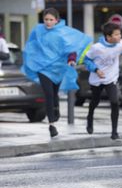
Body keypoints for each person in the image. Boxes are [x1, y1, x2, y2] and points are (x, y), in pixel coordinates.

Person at [22, 8, 92, 137]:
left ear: (56, 20)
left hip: (57, 68)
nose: (48, 22)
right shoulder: (38, 30)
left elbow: (71, 48)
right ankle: (52, 125)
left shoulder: (63, 32)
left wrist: (71, 60)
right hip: (42, 68)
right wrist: (32, 58)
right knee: (48, 94)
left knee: (54, 94)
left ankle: (56, 108)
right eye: (46, 20)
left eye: (51, 20)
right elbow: (31, 45)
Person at [83, 22, 122, 140]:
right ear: (108, 37)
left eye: (120, 34)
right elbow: (86, 60)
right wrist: (96, 70)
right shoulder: (97, 48)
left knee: (114, 102)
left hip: (111, 78)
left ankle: (114, 132)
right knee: (95, 102)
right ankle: (90, 117)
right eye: (116, 34)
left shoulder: (120, 45)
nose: (119, 36)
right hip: (97, 78)